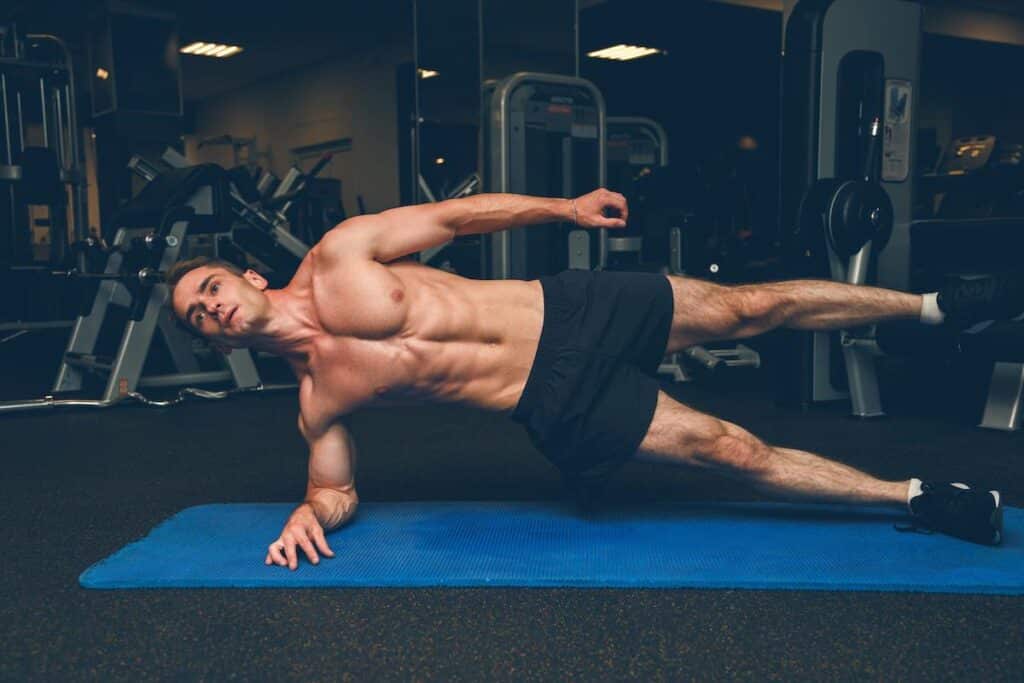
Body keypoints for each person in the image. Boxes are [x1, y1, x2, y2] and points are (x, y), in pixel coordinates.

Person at [168, 189, 1014, 570]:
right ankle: (916, 496)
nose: (211, 310)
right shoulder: (320, 398)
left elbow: (459, 219)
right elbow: (336, 491)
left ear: (245, 275)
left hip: (570, 308)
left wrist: (564, 210)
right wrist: (307, 515)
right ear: (213, 344)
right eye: (197, 318)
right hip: (554, 398)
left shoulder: (343, 250)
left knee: (747, 306)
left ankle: (938, 306)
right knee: (732, 449)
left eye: (209, 289)